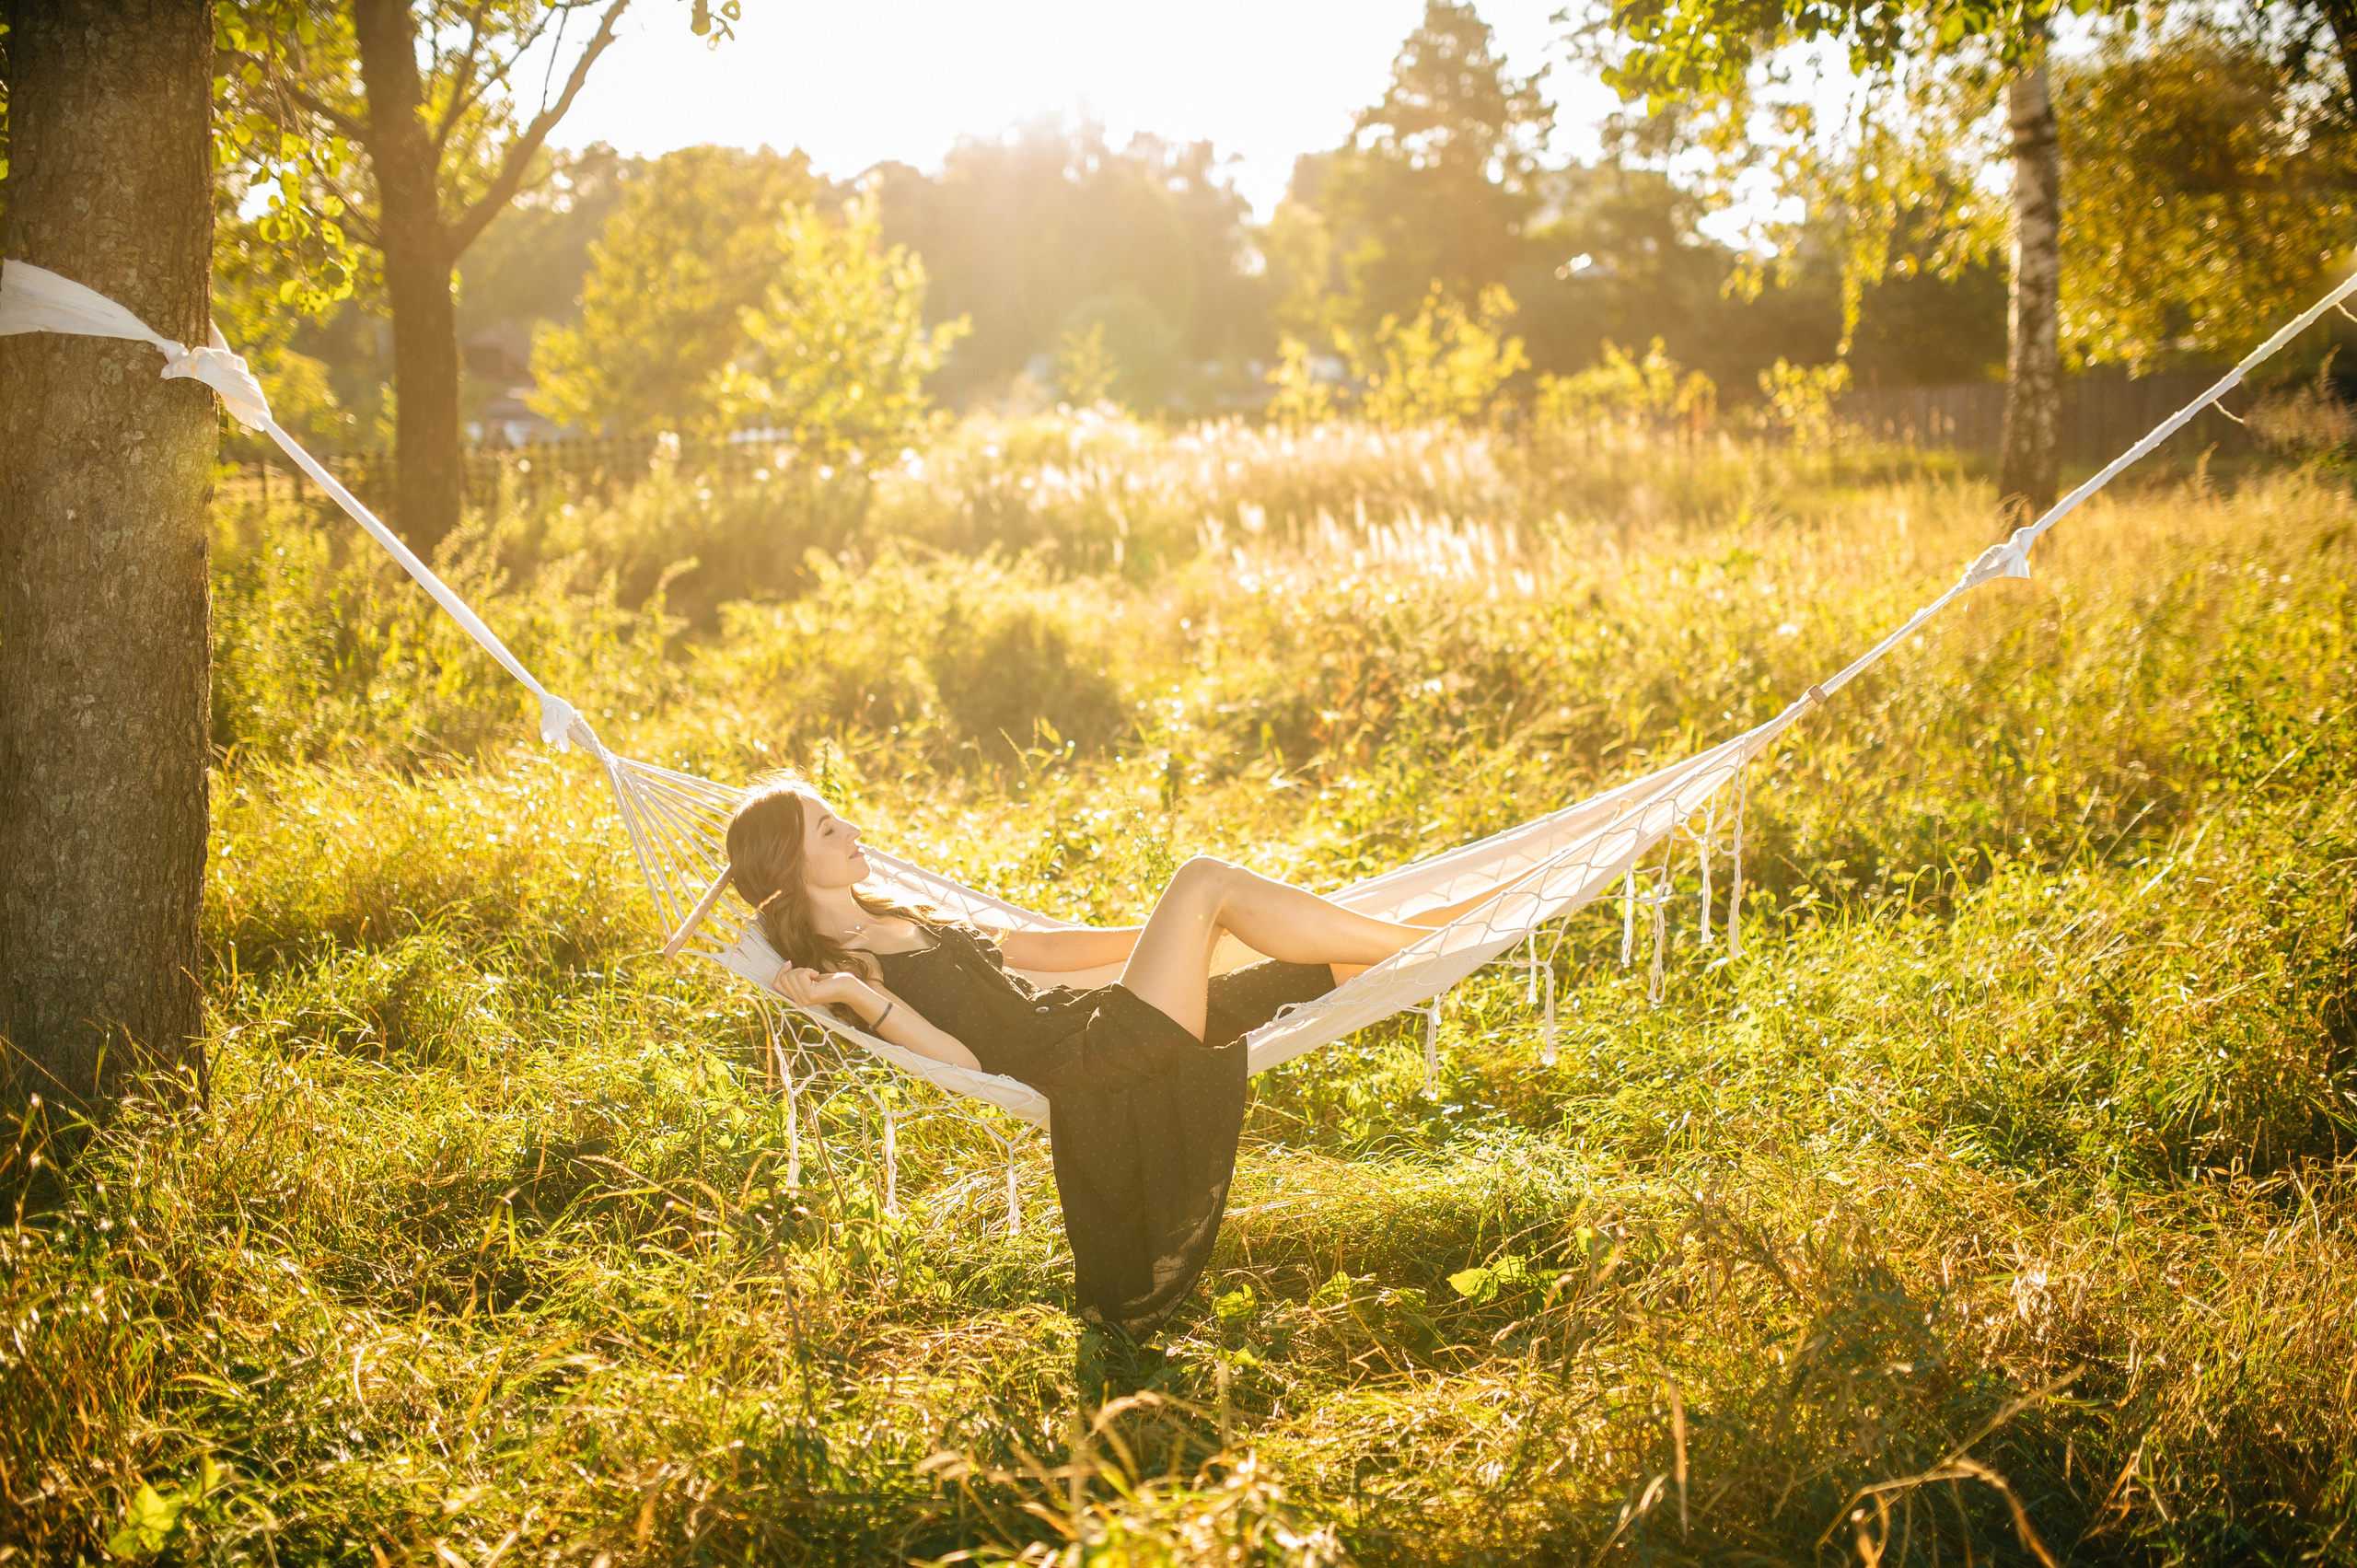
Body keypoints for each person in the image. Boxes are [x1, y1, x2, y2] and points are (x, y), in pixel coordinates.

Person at [721, 777, 1438, 1335]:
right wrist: (850, 990)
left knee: (1330, 963)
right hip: (1094, 1061)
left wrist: (1179, 934)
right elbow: (959, 1059)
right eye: (827, 826)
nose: (850, 828)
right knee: (1205, 878)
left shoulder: (899, 917)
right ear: (790, 862)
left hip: (1098, 1019)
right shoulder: (851, 971)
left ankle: (1477, 917)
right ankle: (1429, 940)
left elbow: (1044, 950)